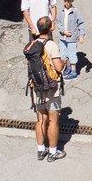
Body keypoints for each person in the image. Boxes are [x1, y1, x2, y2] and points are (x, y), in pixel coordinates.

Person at [25, 16, 66, 161]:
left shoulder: (33, 44)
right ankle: (53, 152)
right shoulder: (51, 45)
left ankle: (41, 150)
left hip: (37, 87)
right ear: (50, 29)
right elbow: (58, 68)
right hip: (51, 88)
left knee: (41, 119)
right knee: (53, 120)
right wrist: (64, 62)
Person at [54, 0, 86, 80]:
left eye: (68, 1)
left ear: (72, 1)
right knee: (63, 54)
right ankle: (67, 68)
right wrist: (63, 31)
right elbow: (58, 22)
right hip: (63, 37)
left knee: (72, 54)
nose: (66, 3)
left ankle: (73, 72)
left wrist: (81, 35)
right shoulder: (61, 11)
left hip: (72, 38)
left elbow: (81, 24)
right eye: (65, 1)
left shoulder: (75, 12)